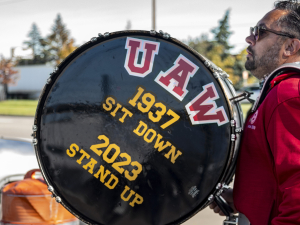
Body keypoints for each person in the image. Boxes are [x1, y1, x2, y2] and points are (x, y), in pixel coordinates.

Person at [209, 1, 300, 224]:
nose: (250, 39)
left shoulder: (288, 94)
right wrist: (242, 199)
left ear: (290, 47)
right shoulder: (278, 91)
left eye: (260, 32)